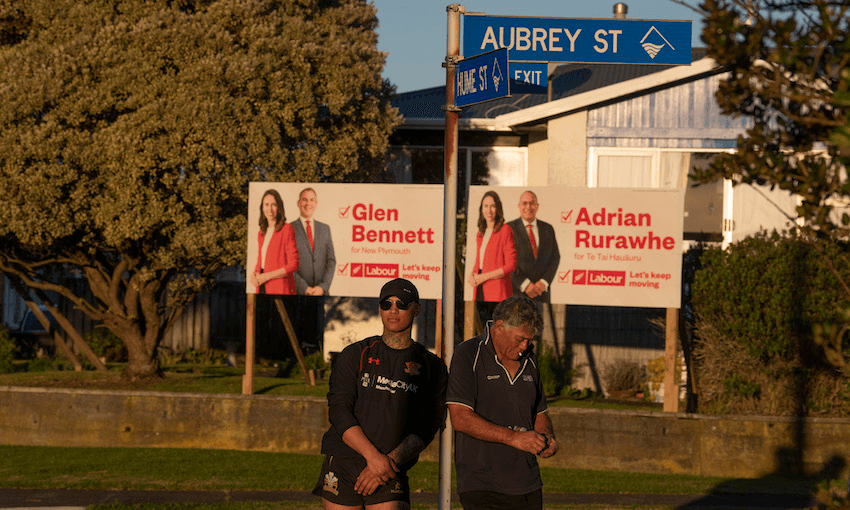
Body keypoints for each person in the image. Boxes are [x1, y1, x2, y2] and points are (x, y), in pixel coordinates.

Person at [313, 278, 448, 510]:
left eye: (402, 304)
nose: (393, 310)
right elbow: (339, 412)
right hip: (344, 463)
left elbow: (429, 424)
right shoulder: (355, 354)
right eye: (387, 304)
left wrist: (388, 462)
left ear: (416, 309)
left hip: (390, 468)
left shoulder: (431, 366)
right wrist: (373, 457)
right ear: (379, 308)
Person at [447, 295, 559, 510]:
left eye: (530, 340)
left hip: (527, 483)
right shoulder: (468, 354)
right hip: (482, 484)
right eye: (520, 339)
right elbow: (460, 418)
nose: (525, 346)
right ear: (499, 327)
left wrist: (547, 438)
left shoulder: (530, 359)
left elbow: (540, 412)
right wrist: (514, 438)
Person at [507, 191, 561, 303]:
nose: (528, 207)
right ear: (519, 206)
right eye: (525, 203)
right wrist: (525, 284)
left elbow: (555, 257)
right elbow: (505, 261)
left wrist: (544, 282)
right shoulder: (508, 229)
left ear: (537, 206)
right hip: (516, 293)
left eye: (532, 203)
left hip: (542, 295)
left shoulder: (548, 229)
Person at [468, 190, 517, 303]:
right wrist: (471, 275)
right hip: (480, 289)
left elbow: (511, 265)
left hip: (498, 291)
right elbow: (479, 262)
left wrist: (484, 277)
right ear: (481, 209)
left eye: (492, 206)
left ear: (498, 209)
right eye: (485, 206)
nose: (489, 210)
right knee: (482, 320)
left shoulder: (505, 230)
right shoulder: (480, 233)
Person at [251, 189, 298, 294]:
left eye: (274, 205)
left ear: (279, 207)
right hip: (262, 287)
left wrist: (266, 276)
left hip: (280, 289)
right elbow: (261, 262)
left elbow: (293, 265)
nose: (269, 209)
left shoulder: (287, 229)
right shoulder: (261, 233)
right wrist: (253, 275)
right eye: (266, 204)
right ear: (262, 207)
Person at [291, 187, 336, 296]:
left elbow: (331, 261)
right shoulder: (288, 229)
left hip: (321, 294)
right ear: (298, 203)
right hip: (297, 293)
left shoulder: (325, 229)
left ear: (316, 204)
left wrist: (322, 287)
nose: (308, 204)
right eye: (304, 200)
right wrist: (303, 288)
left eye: (311, 200)